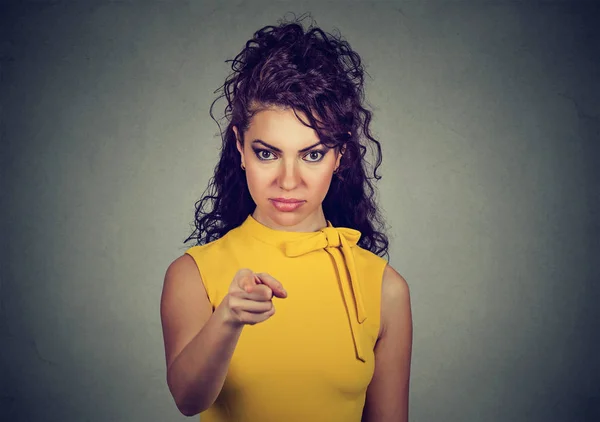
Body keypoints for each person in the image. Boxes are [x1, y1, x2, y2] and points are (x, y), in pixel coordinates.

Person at [160, 13, 412, 422]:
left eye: (312, 155)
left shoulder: (386, 289)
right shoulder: (193, 275)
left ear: (340, 155)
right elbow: (188, 400)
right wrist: (228, 318)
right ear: (240, 147)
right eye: (267, 153)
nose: (289, 181)